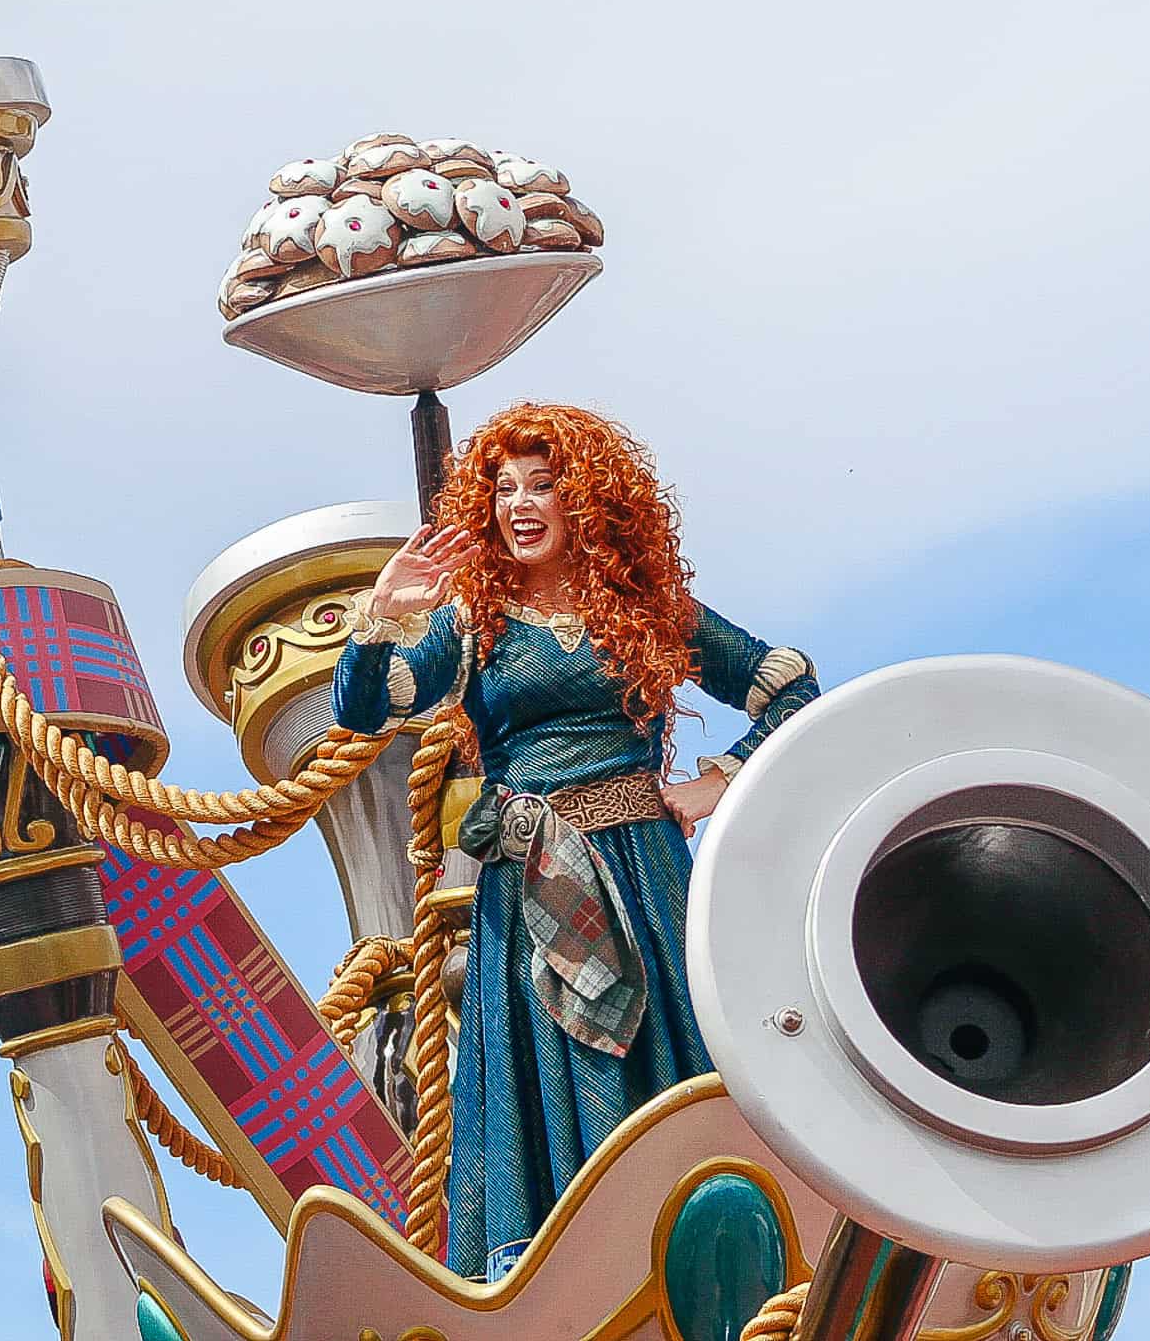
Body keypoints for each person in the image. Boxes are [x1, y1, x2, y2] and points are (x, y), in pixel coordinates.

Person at [331, 403, 819, 1281]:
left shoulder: (646, 609)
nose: (520, 503)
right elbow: (367, 707)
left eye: (543, 485)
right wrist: (382, 613)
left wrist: (715, 782)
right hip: (531, 886)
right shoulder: (473, 623)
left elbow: (791, 691)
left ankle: (719, 1240)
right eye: (504, 488)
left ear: (587, 502)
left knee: (679, 1047)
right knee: (549, 1060)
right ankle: (573, 1269)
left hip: (647, 869)